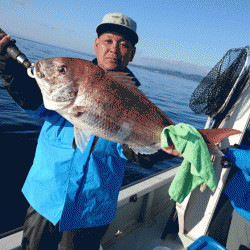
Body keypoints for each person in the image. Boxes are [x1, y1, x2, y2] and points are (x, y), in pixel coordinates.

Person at [0, 13, 176, 250]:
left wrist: (166, 147)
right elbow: (30, 98)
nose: (114, 49)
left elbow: (135, 152)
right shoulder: (71, 76)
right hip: (46, 199)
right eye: (108, 41)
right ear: (96, 44)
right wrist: (6, 62)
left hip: (90, 210)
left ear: (132, 53)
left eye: (124, 44)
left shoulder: (135, 101)